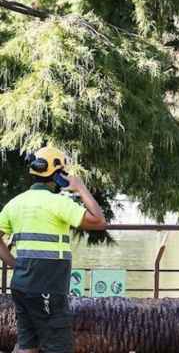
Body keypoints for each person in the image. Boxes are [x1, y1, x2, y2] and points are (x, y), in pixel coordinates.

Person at [0, 146, 106, 353]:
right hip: (47, 287)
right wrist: (81, 188)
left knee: (27, 344)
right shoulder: (58, 203)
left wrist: (15, 263)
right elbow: (100, 221)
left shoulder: (15, 203)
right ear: (57, 174)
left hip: (21, 286)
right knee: (58, 347)